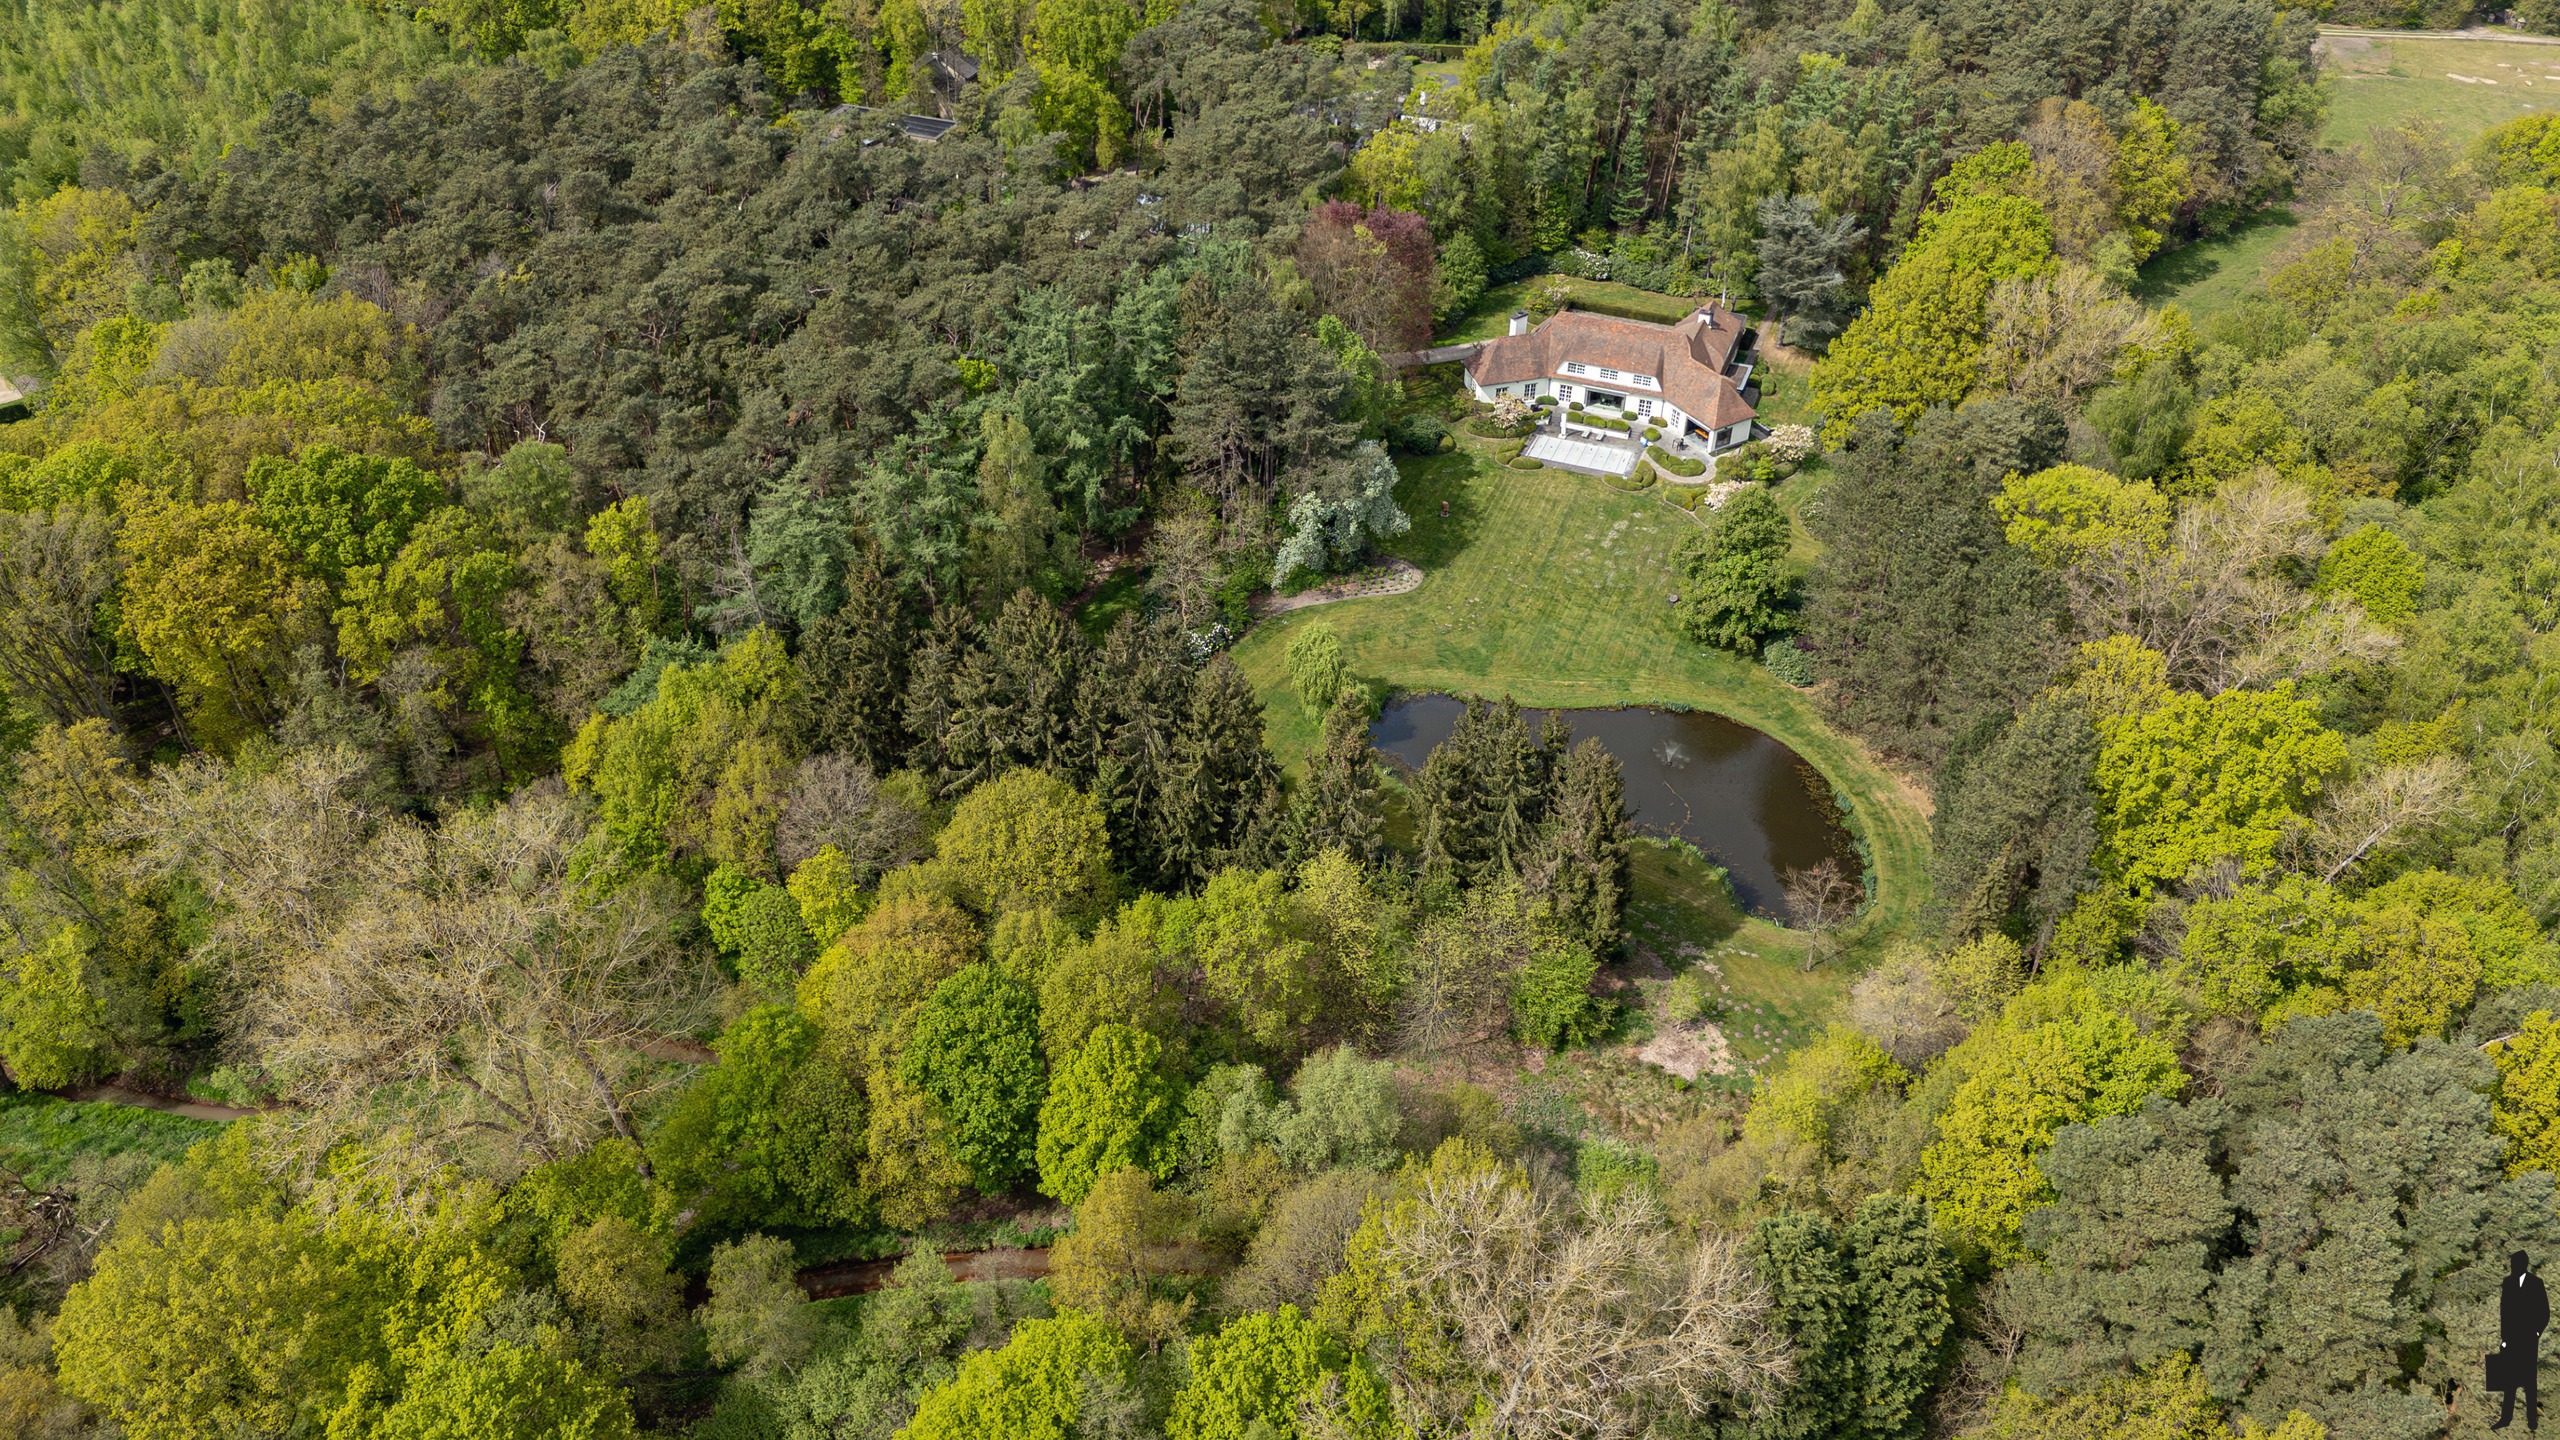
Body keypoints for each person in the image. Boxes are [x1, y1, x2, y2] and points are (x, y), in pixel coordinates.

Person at [2499, 1250, 2549, 1430]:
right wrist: (2504, 1338)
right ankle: (2506, 1418)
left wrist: (2536, 1333)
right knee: (2509, 1379)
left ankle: (2532, 1420)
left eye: (2516, 1263)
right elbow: (2504, 1313)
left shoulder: (2536, 1283)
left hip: (2528, 1339)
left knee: (2529, 1380)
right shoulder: (2508, 1282)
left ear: (2524, 1264)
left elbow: (2545, 1312)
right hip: (2511, 1339)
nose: (2513, 1267)